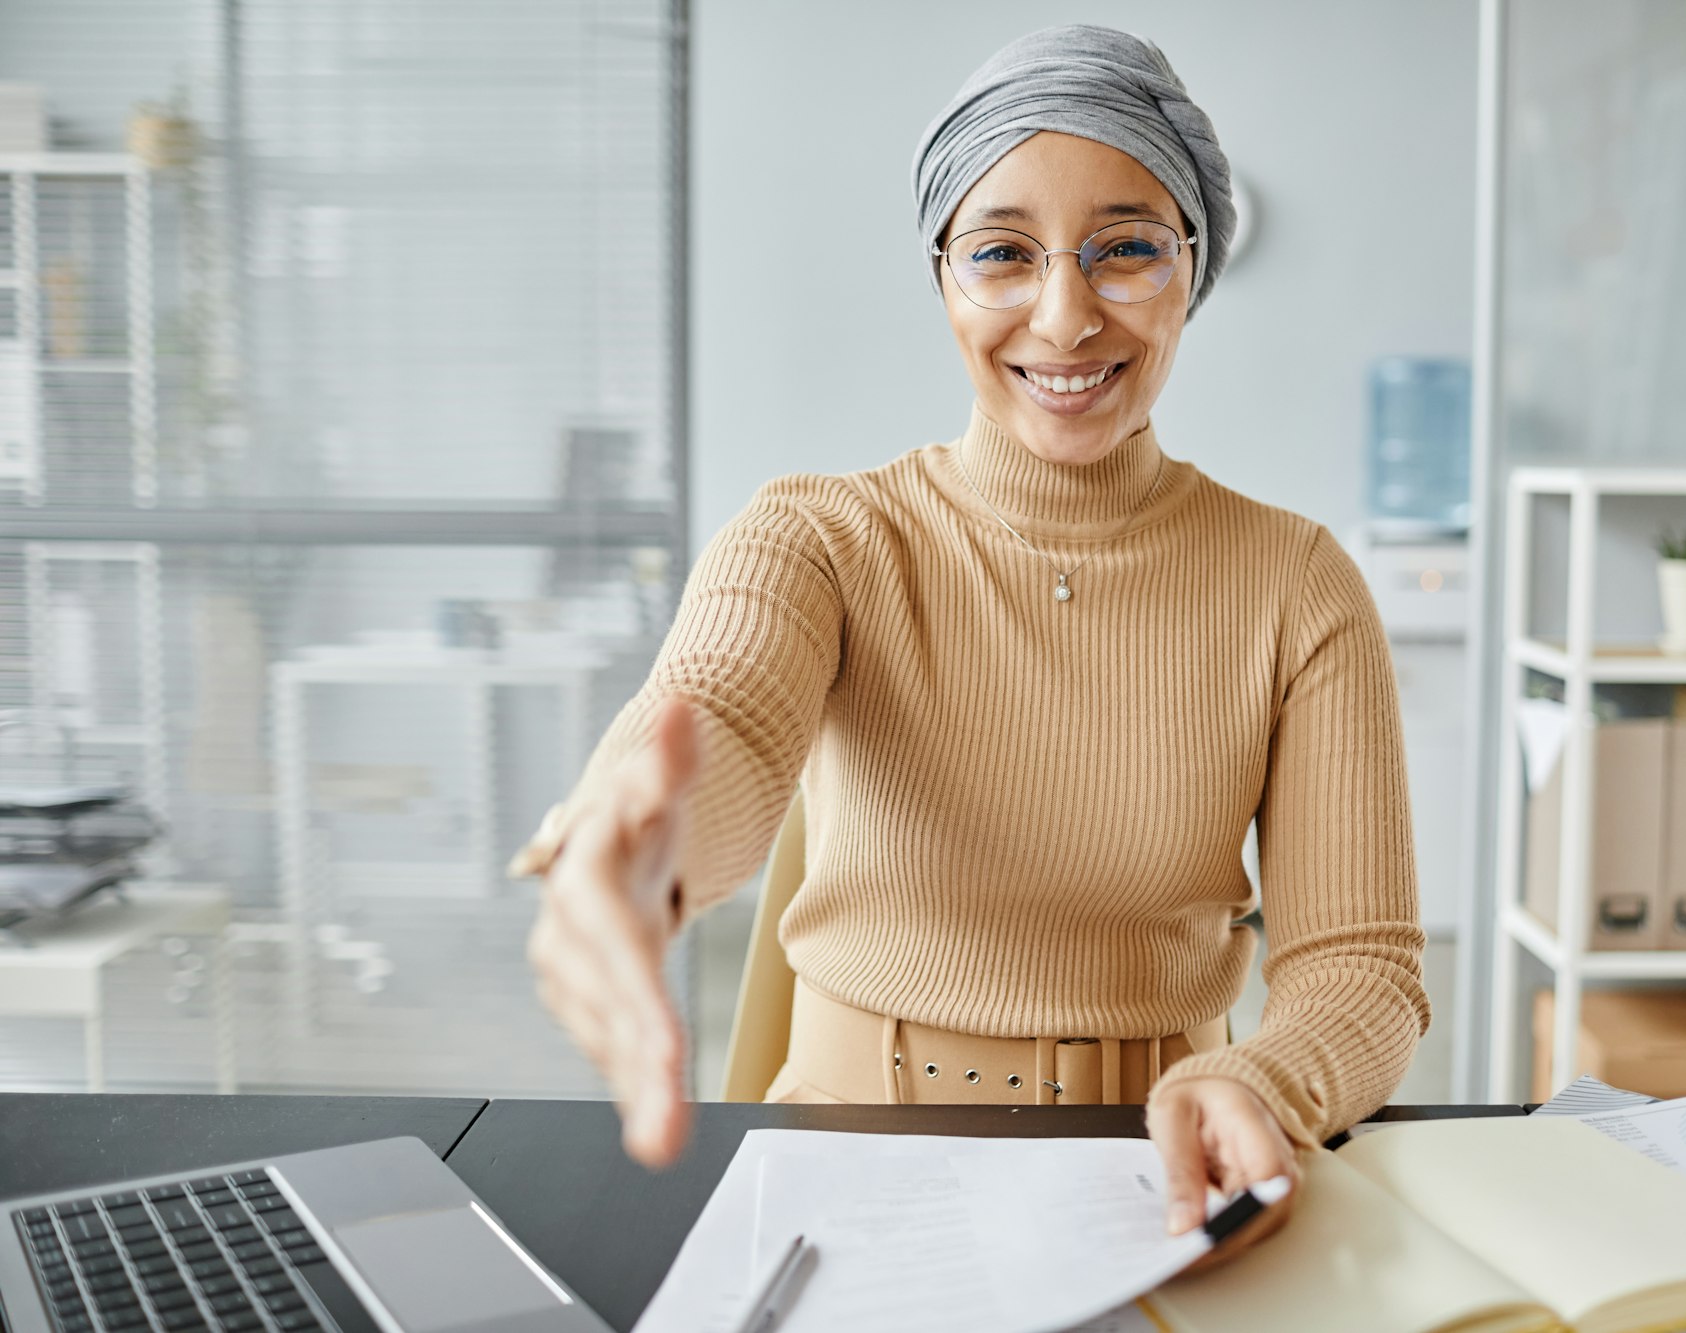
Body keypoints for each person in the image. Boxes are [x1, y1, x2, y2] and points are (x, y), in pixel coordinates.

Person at [513, 23, 1430, 1261]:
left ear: (1190, 270)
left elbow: (1359, 966)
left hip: (1164, 1174)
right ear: (942, 274)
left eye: (1125, 251)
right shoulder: (819, 537)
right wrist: (632, 839)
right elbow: (716, 710)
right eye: (1001, 252)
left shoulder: (1297, 581)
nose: (1062, 317)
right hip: (847, 1164)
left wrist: (1271, 1081)